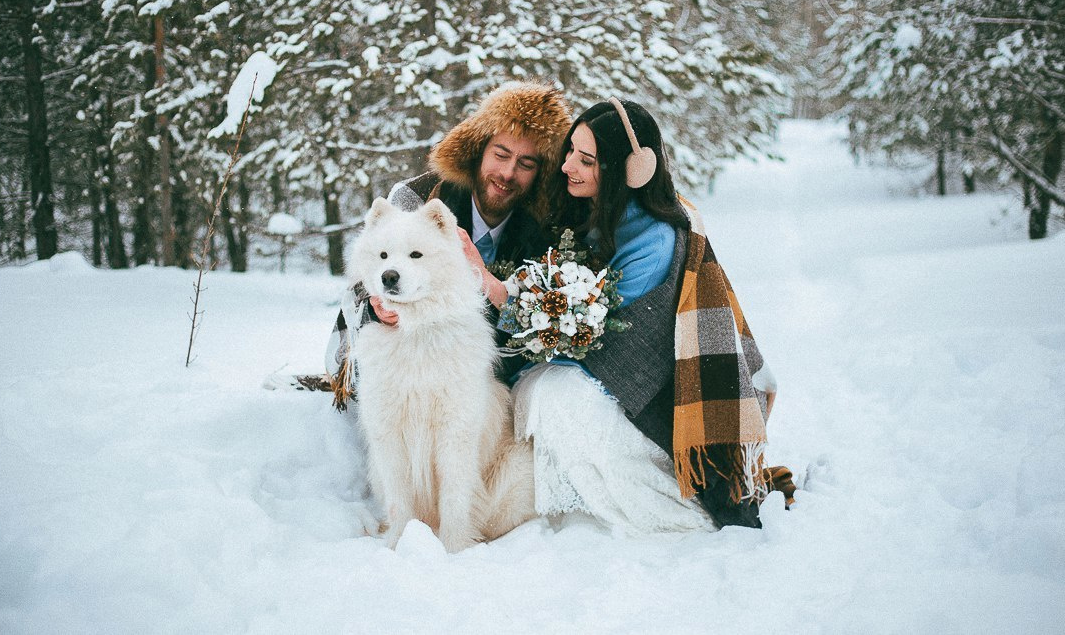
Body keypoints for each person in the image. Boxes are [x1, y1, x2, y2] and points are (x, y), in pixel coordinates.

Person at [476, 98, 794, 531]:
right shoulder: (590, 211)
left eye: (586, 160)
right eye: (570, 151)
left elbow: (600, 339)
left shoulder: (655, 241)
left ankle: (657, 509)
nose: (567, 165)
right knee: (539, 390)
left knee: (556, 396)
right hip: (596, 374)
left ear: (630, 170)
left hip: (651, 402)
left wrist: (505, 299)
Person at [323, 81, 572, 400]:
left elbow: (541, 325)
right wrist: (377, 306)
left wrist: (489, 283)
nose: (508, 173)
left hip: (490, 380)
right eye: (501, 154)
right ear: (478, 149)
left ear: (541, 173)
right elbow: (364, 278)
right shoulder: (417, 197)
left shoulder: (547, 229)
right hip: (401, 367)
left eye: (526, 164)